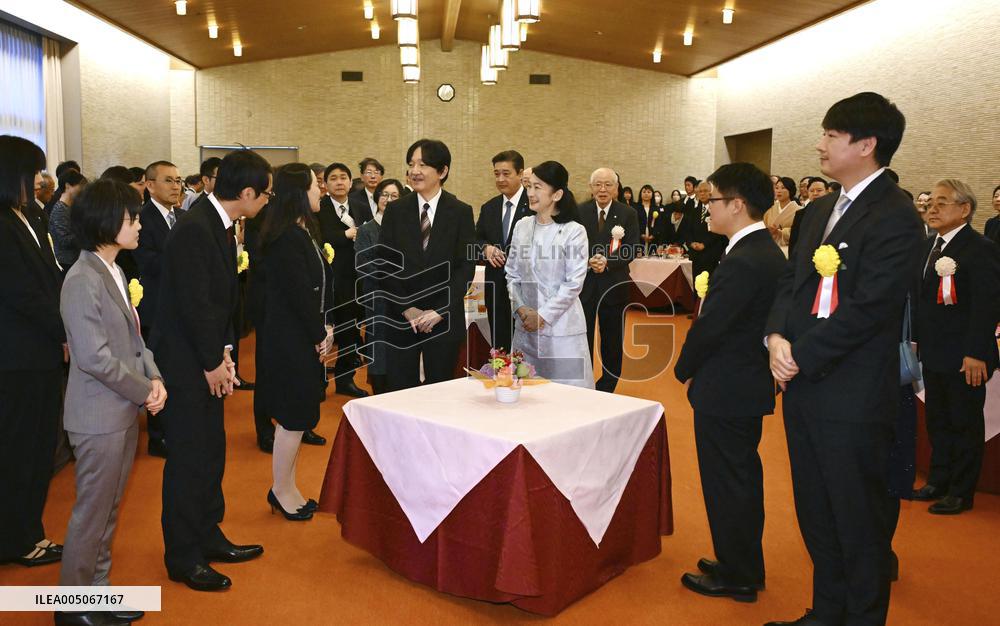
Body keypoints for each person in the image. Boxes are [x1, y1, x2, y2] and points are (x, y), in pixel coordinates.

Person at [764, 92, 923, 626]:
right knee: (816, 508)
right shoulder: (818, 210)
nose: (820, 145)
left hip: (852, 392)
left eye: (831, 136)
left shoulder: (897, 215)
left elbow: (871, 308)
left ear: (867, 144)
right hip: (805, 383)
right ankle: (826, 611)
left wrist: (800, 356)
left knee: (857, 516)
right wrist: (776, 339)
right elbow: (791, 281)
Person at [151, 150, 271, 592]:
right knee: (188, 458)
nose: (267, 200)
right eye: (265, 192)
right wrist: (210, 363)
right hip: (185, 366)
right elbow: (192, 304)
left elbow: (218, 305)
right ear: (245, 192)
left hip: (206, 358)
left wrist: (223, 355)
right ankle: (183, 555)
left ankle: (208, 533)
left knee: (211, 452)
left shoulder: (219, 224)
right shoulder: (196, 229)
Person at [675, 162, 786, 604]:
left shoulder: (747, 258)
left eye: (713, 201)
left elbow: (713, 324)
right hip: (740, 381)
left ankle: (739, 574)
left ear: (737, 204)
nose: (708, 210)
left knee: (729, 480)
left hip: (730, 385)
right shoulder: (755, 250)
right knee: (735, 476)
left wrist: (684, 366)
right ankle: (739, 561)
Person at [57, 179, 165, 626]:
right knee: (92, 514)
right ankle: (72, 607)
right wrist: (144, 391)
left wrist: (154, 376)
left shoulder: (114, 270)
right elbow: (95, 358)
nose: (138, 225)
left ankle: (96, 592)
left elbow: (135, 341)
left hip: (118, 410)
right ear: (104, 222)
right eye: (131, 218)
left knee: (108, 510)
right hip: (99, 414)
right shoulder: (81, 278)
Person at [912, 179, 1000, 515]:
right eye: (930, 202)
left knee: (964, 423)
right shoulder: (927, 246)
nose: (932, 208)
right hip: (934, 352)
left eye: (942, 203)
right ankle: (938, 480)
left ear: (964, 209)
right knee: (938, 421)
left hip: (966, 355)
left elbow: (987, 304)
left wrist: (977, 351)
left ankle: (961, 492)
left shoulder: (981, 248)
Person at [0, 136, 65, 570]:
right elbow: (22, 294)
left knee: (37, 446)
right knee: (20, 450)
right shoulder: (2, 224)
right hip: (17, 358)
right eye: (35, 171)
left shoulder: (26, 215)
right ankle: (18, 539)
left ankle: (26, 530)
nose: (42, 180)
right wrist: (66, 327)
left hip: (38, 352)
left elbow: (50, 277)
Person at [257, 163, 333, 522]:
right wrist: (320, 334)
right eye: (316, 186)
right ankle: (281, 490)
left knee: (299, 415)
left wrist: (323, 327)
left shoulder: (302, 230)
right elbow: (300, 295)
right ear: (298, 193)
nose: (321, 191)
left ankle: (287, 486)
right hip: (290, 340)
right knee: (291, 417)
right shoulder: (286, 237)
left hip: (301, 336)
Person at [378, 138, 476, 391]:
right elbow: (385, 263)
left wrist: (439, 310)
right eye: (411, 164)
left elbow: (465, 267)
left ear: (442, 171)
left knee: (439, 392)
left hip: (442, 319)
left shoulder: (461, 212)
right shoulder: (395, 211)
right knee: (399, 390)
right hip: (400, 317)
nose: (414, 171)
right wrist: (406, 308)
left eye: (423, 164)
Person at [505, 161, 593, 387]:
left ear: (557, 194)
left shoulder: (574, 231)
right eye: (528, 186)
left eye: (538, 187)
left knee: (567, 399)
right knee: (526, 395)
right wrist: (521, 307)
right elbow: (512, 273)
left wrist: (542, 316)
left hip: (562, 331)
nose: (530, 193)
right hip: (525, 328)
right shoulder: (522, 226)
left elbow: (573, 283)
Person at [133, 160, 183, 458]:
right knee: (156, 371)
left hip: (181, 306)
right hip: (155, 305)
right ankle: (157, 435)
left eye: (178, 180)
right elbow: (146, 261)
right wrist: (184, 261)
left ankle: (174, 426)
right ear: (150, 185)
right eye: (168, 180)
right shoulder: (142, 218)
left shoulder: (184, 216)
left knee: (177, 369)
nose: (176, 186)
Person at [578, 167, 640, 393]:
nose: (602, 189)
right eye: (598, 184)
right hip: (584, 285)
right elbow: (571, 245)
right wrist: (588, 261)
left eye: (608, 185)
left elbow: (633, 248)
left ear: (616, 188)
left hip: (614, 284)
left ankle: (607, 386)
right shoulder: (579, 211)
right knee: (582, 336)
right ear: (591, 187)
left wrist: (608, 261)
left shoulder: (627, 213)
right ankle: (583, 384)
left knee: (612, 339)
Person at [317, 162, 370, 398]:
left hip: (354, 278)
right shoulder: (319, 206)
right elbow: (318, 237)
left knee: (350, 331)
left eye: (343, 177)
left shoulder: (360, 205)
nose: (339, 182)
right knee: (322, 332)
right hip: (327, 280)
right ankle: (317, 383)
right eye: (333, 178)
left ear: (350, 181)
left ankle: (345, 379)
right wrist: (345, 235)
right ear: (325, 184)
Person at [475, 150, 533, 351]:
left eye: (506, 173)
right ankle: (502, 376)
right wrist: (485, 248)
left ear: (520, 174)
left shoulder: (534, 204)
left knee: (528, 341)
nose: (500, 179)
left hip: (527, 287)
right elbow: (474, 240)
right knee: (500, 341)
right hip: (496, 286)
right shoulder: (489, 207)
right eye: (496, 174)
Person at [356, 178, 403, 394]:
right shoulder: (367, 230)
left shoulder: (405, 230)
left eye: (394, 196)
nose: (389, 199)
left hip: (403, 300)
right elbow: (364, 265)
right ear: (377, 198)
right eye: (385, 194)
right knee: (378, 346)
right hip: (378, 298)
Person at [49, 169, 88, 272]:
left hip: (74, 260)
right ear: (67, 186)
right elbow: (64, 240)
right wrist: (86, 233)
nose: (83, 190)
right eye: (81, 186)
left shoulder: (70, 207)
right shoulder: (60, 209)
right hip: (66, 263)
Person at [688, 181, 728, 278]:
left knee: (711, 288)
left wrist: (704, 244)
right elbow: (688, 230)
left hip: (712, 255)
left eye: (705, 191)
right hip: (696, 257)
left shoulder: (718, 209)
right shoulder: (694, 211)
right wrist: (691, 243)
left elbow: (720, 232)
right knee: (697, 287)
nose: (702, 194)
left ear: (712, 192)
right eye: (700, 191)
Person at [763, 176, 801, 247]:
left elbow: (799, 232)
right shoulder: (770, 210)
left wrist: (780, 232)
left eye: (783, 188)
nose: (779, 191)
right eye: (776, 188)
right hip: (769, 246)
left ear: (791, 190)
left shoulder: (799, 210)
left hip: (788, 248)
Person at [635, 184, 658, 254]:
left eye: (649, 192)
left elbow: (660, 224)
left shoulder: (656, 208)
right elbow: (633, 224)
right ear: (640, 194)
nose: (646, 194)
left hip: (653, 238)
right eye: (644, 192)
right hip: (638, 237)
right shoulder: (635, 207)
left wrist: (653, 235)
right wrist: (641, 235)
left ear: (652, 194)